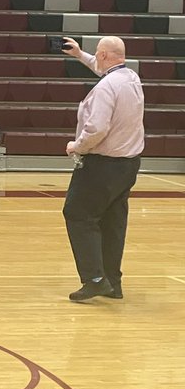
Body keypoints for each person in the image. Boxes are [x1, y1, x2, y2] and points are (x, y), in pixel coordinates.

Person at [60, 36, 145, 302]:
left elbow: (97, 128)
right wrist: (80, 55)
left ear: (105, 55)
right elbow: (105, 71)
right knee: (112, 221)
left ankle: (95, 279)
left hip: (102, 165)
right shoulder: (131, 78)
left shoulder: (106, 87)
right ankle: (112, 281)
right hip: (128, 165)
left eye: (97, 53)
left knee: (77, 214)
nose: (96, 57)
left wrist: (77, 146)